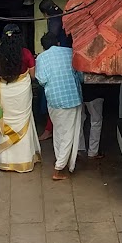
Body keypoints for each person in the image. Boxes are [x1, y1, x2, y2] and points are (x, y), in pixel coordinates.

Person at [0, 25, 42, 172]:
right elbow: (33, 76)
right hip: (22, 92)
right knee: (24, 122)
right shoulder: (26, 54)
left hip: (4, 92)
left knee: (6, 120)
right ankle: (24, 159)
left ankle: (6, 161)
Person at [36, 32, 83, 181]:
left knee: (58, 131)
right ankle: (59, 169)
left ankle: (61, 160)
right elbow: (80, 76)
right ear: (57, 43)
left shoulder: (41, 58)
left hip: (54, 100)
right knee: (69, 134)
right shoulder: (69, 52)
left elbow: (41, 80)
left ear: (43, 47)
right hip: (71, 98)